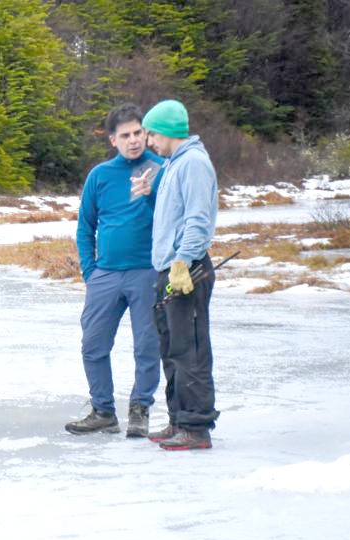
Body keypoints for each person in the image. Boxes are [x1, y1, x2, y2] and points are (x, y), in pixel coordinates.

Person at [66, 104, 164, 438]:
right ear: (113, 140)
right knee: (93, 345)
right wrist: (90, 272)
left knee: (146, 346)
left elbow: (172, 219)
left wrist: (151, 196)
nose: (134, 140)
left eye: (139, 133)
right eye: (126, 135)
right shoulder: (100, 175)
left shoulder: (161, 168)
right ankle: (103, 411)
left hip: (147, 273)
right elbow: (85, 227)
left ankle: (140, 409)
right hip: (105, 275)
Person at [142, 99, 220, 450]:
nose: (147, 140)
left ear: (167, 131)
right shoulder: (173, 164)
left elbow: (198, 219)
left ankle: (196, 426)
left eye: (150, 133)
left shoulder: (193, 164)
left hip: (186, 270)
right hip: (168, 270)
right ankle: (178, 419)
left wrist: (183, 261)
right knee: (171, 348)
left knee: (190, 349)